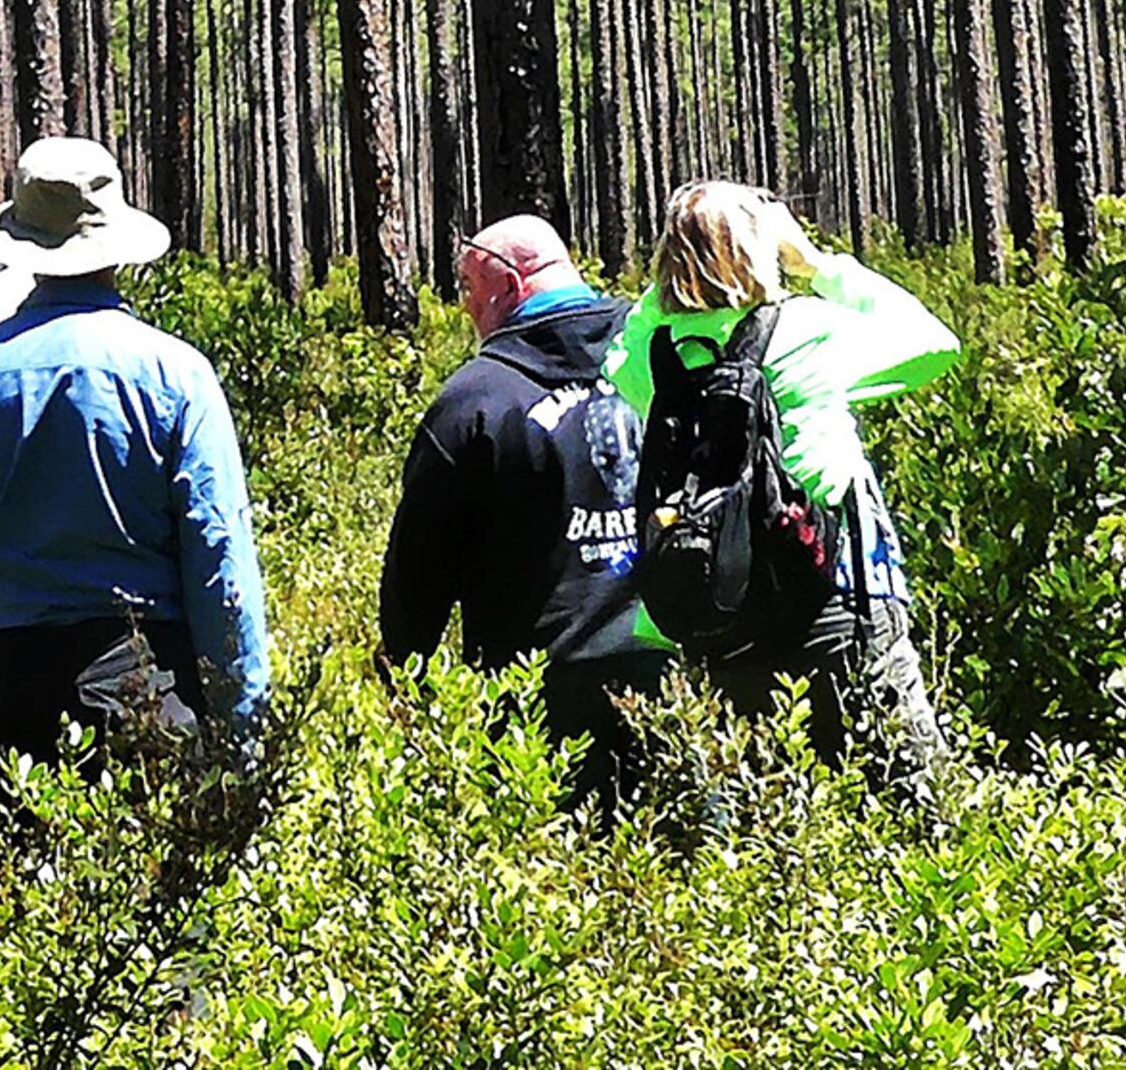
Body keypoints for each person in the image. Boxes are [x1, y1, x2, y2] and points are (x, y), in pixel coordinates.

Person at [0, 137, 271, 777]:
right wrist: (239, 719)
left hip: (9, 684)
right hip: (148, 680)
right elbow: (220, 559)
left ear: (23, 246)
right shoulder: (177, 374)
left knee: (14, 873)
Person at [609, 179, 958, 808]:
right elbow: (933, 344)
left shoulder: (653, 356)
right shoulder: (810, 333)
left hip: (719, 623)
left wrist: (678, 265)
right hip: (840, 608)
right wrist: (818, 264)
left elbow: (622, 347)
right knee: (917, 805)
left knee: (767, 821)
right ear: (762, 249)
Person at [375, 214, 673, 800]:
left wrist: (409, 687)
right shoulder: (663, 352)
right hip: (677, 677)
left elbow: (417, 578)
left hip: (537, 709)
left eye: (467, 287)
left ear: (510, 285)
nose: (464, 307)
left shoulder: (473, 403)